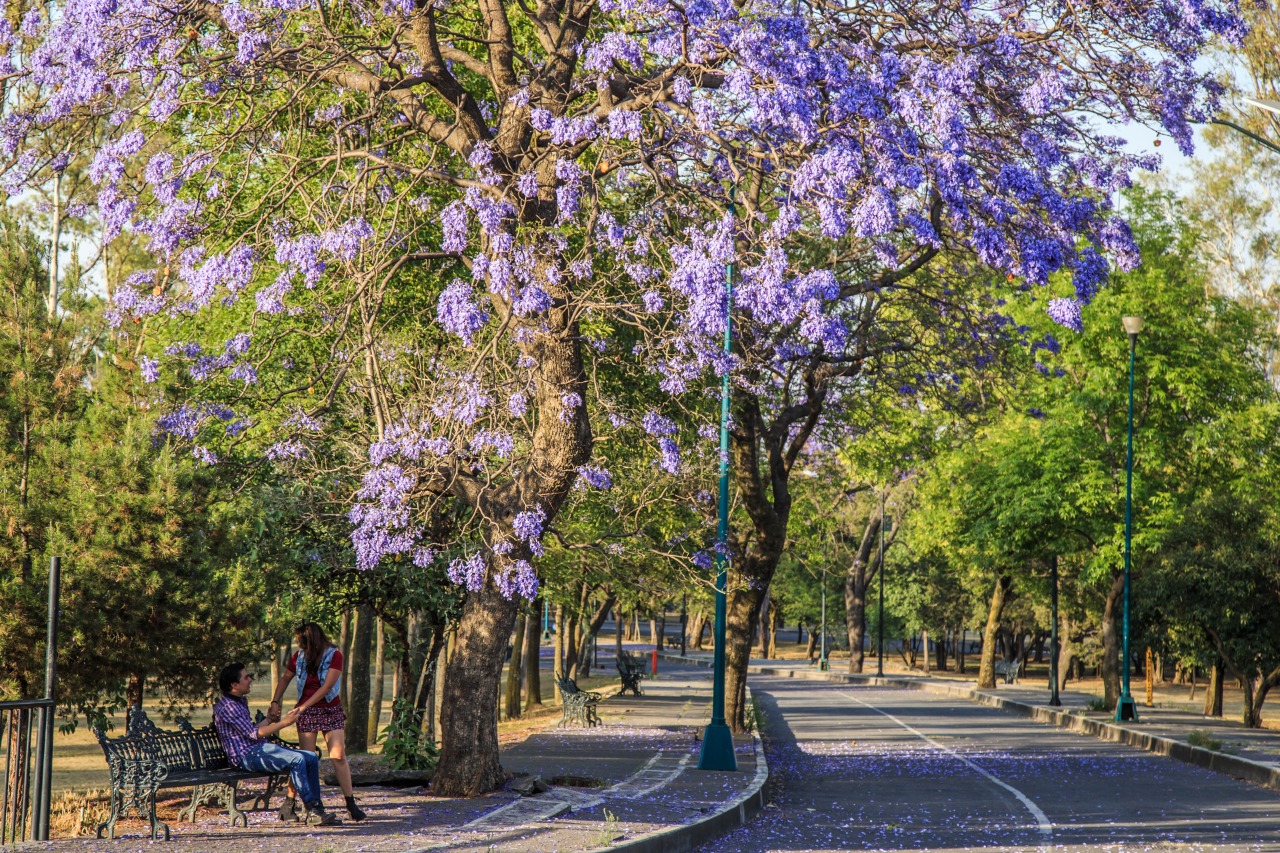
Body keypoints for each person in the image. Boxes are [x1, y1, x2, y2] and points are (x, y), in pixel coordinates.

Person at [212, 663, 341, 826]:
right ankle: (312, 811)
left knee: (310, 757)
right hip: (246, 757)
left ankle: (317, 809)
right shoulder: (229, 707)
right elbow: (254, 734)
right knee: (297, 760)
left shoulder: (238, 701)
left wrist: (269, 720)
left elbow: (249, 730)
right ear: (234, 685)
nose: (250, 679)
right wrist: (285, 723)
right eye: (246, 677)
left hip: (257, 749)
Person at [268, 622, 366, 822]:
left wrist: (303, 707)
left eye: (302, 641)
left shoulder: (334, 655)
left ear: (312, 640)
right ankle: (290, 803)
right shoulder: (299, 657)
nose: (299, 645)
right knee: (305, 759)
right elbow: (285, 678)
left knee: (338, 756)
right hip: (306, 711)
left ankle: (351, 804)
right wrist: (275, 701)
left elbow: (327, 687)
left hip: (330, 708)